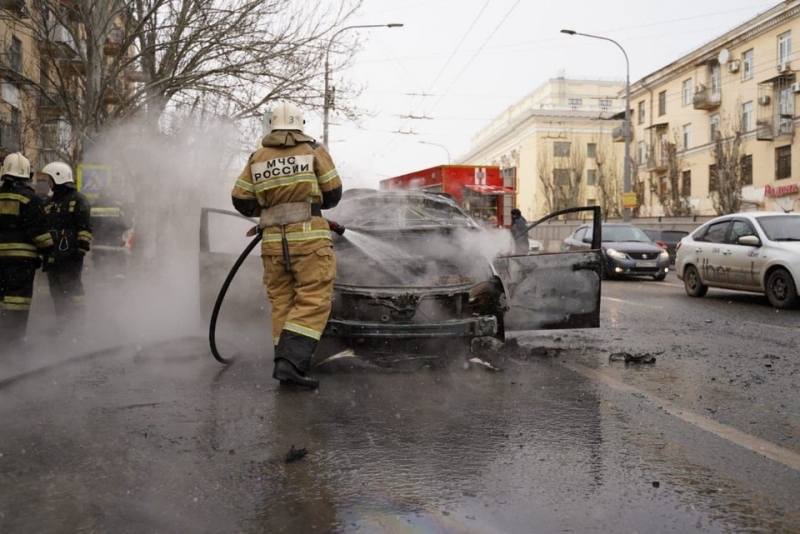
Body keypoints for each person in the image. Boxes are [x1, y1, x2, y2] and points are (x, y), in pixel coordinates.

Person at [231, 101, 342, 389]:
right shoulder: (313, 150)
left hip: (272, 246)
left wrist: (272, 208)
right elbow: (333, 195)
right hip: (310, 243)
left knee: (282, 302)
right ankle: (290, 364)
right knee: (313, 300)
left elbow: (241, 200)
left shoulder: (258, 156)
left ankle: (288, 366)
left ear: (271, 125)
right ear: (300, 124)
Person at [0, 153, 54, 345]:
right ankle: (13, 341)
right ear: (26, 175)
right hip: (21, 263)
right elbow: (38, 232)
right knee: (17, 301)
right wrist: (49, 252)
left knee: (2, 299)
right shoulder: (30, 199)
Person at [41, 161, 93, 331]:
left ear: (58, 177)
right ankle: (62, 324)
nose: (48, 182)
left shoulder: (78, 200)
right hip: (53, 255)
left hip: (70, 255)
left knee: (73, 291)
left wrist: (80, 250)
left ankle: (77, 325)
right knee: (56, 292)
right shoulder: (50, 203)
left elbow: (85, 228)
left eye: (50, 179)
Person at [89, 189, 133, 281]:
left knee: (98, 273)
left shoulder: (91, 208)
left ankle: (99, 282)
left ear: (99, 196)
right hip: (115, 246)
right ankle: (118, 279)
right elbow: (128, 224)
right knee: (119, 271)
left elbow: (86, 224)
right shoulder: (118, 208)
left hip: (97, 245)